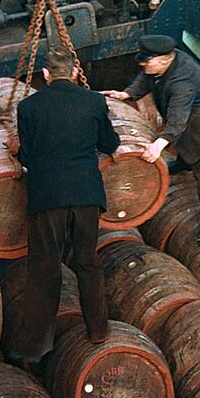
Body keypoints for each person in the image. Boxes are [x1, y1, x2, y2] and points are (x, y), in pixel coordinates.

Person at [8, 48, 120, 363]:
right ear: (73, 72)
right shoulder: (94, 101)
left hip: (48, 197)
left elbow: (28, 157)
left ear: (45, 75)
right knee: (87, 263)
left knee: (45, 269)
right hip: (86, 195)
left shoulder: (28, 106)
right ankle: (98, 330)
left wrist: (16, 152)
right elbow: (110, 144)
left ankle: (35, 348)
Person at [103, 34, 200, 246]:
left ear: (164, 60)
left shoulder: (183, 82)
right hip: (186, 118)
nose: (142, 63)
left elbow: (178, 121)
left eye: (146, 60)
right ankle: (184, 162)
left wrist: (158, 145)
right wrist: (126, 95)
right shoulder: (160, 64)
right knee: (184, 148)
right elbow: (146, 77)